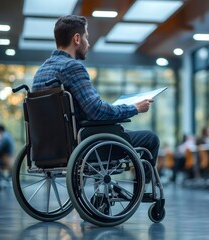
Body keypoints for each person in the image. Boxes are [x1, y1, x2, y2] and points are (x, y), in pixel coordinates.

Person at [31, 15, 160, 181]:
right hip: (86, 143)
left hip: (49, 147)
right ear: (77, 39)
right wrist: (134, 108)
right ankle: (145, 189)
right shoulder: (72, 67)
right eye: (86, 37)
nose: (88, 43)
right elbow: (96, 111)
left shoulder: (40, 72)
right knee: (150, 139)